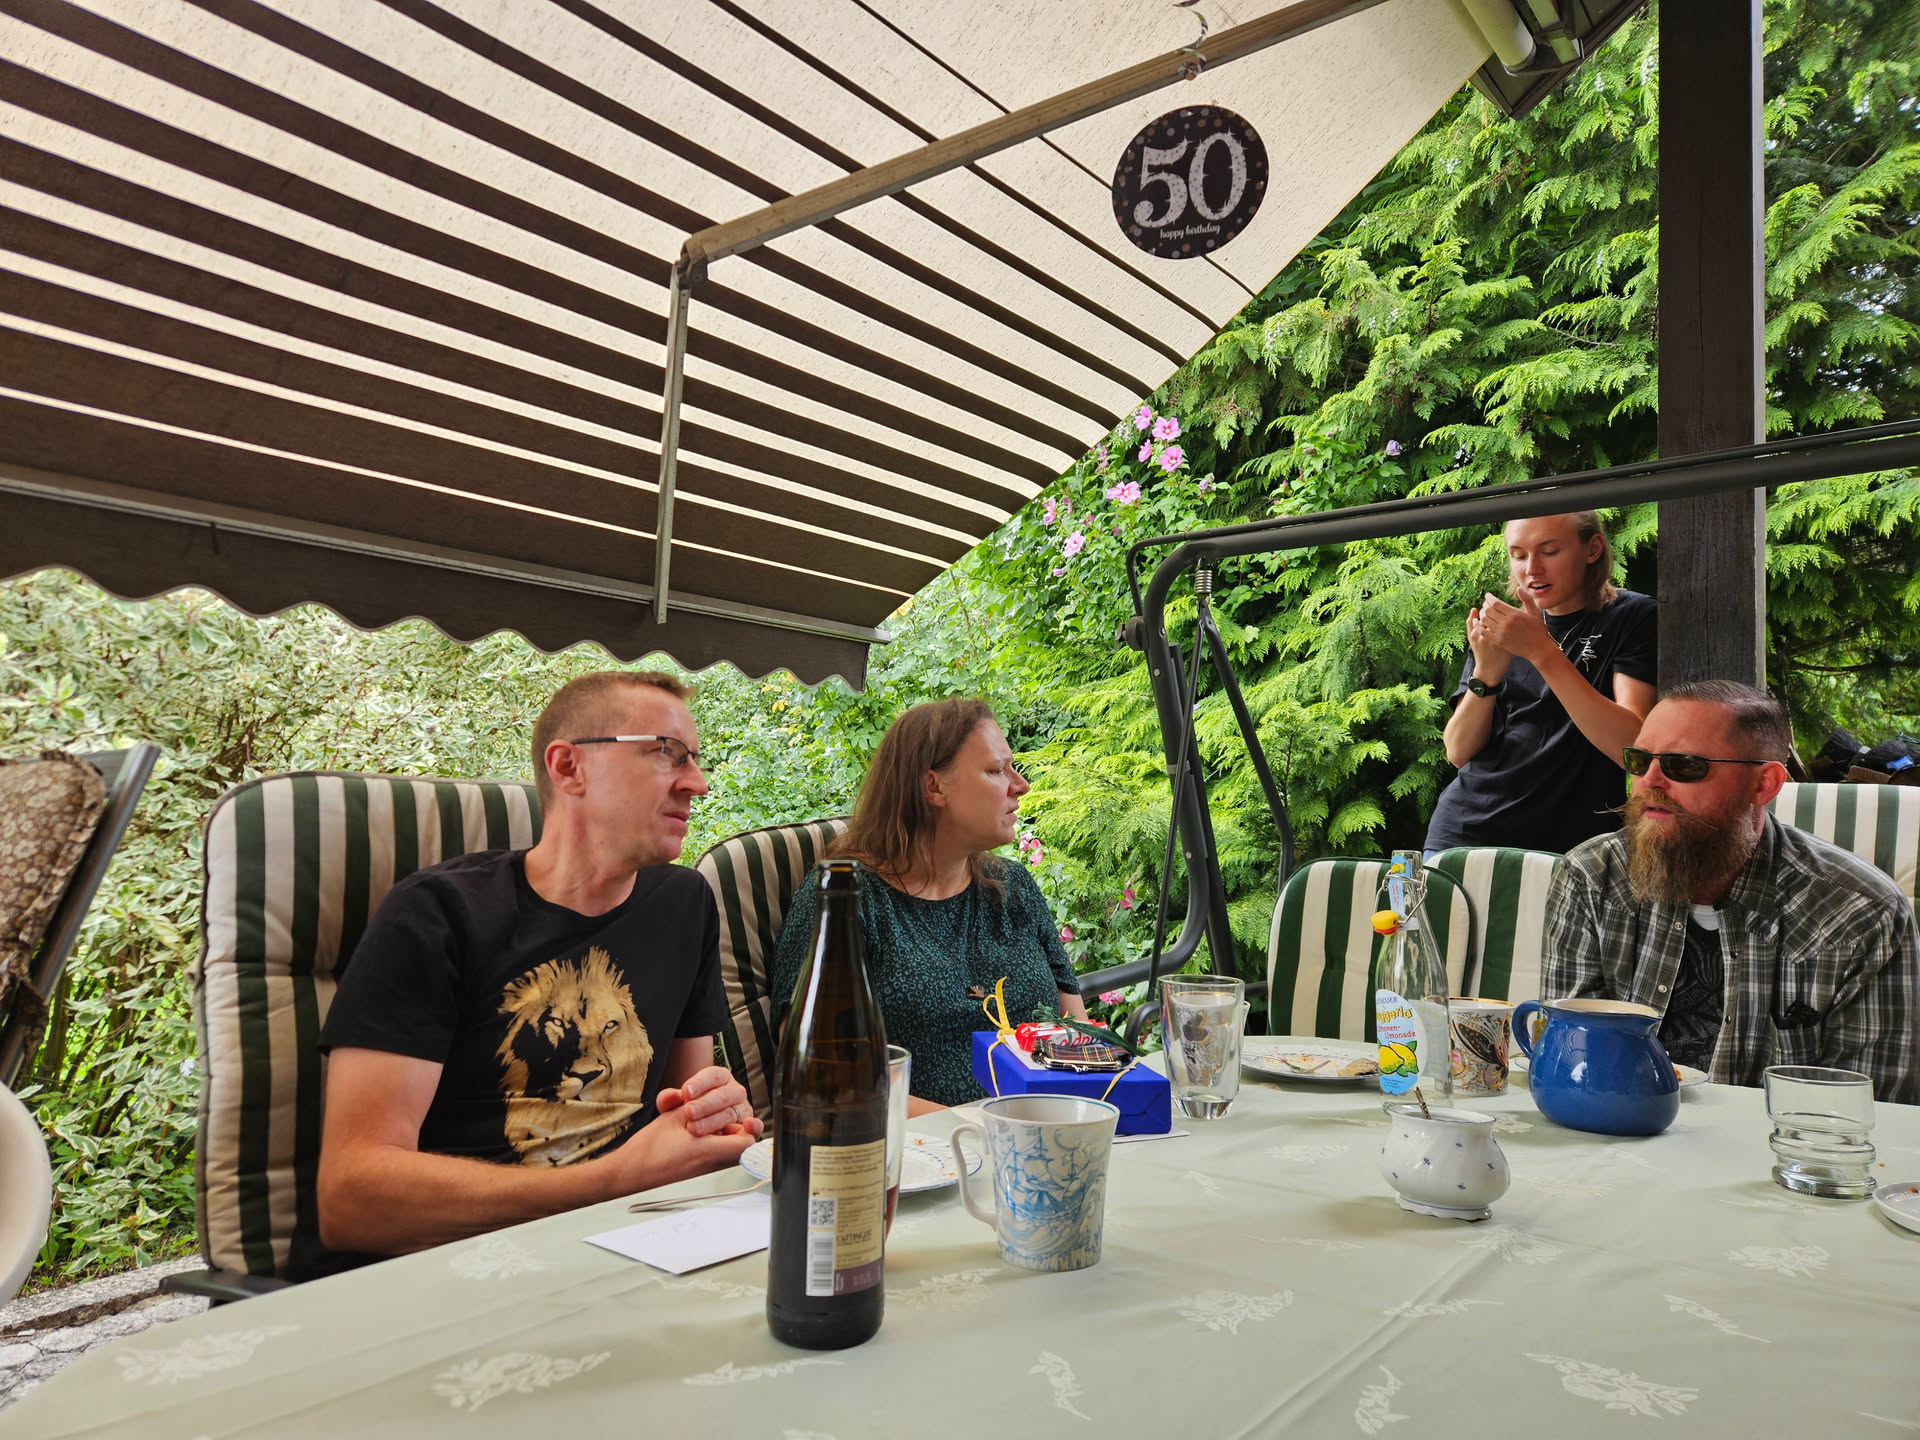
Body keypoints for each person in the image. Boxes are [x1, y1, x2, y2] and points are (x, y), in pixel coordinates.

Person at [313, 671, 762, 1273]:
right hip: (454, 1271)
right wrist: (615, 1180)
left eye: (695, 759)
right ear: (569, 767)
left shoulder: (684, 903)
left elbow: (683, 1109)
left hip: (636, 1249)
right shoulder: (435, 915)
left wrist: (713, 1115)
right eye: (666, 752)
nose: (697, 783)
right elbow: (352, 1201)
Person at [1543, 680, 1918, 1103]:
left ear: (1764, 784)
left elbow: (1873, 1107)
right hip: (1615, 1129)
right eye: (1639, 759)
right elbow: (1570, 1061)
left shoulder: (1860, 912)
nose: (1649, 780)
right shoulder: (1591, 877)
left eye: (1684, 765)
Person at [770, 699, 1087, 1110]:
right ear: (934, 787)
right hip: (918, 1144)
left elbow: (1075, 1029)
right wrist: (981, 1129)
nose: (1020, 785)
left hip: (1047, 1129)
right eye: (996, 770)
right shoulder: (843, 899)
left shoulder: (1014, 887)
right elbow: (817, 1069)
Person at [1426, 511, 1657, 855]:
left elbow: (1632, 748)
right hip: (1463, 834)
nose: (1532, 568)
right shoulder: (1505, 627)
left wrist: (1542, 652)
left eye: (1549, 552)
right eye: (1518, 555)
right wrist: (1486, 674)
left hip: (1571, 850)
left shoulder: (1633, 617)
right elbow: (1458, 751)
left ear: (1593, 549)